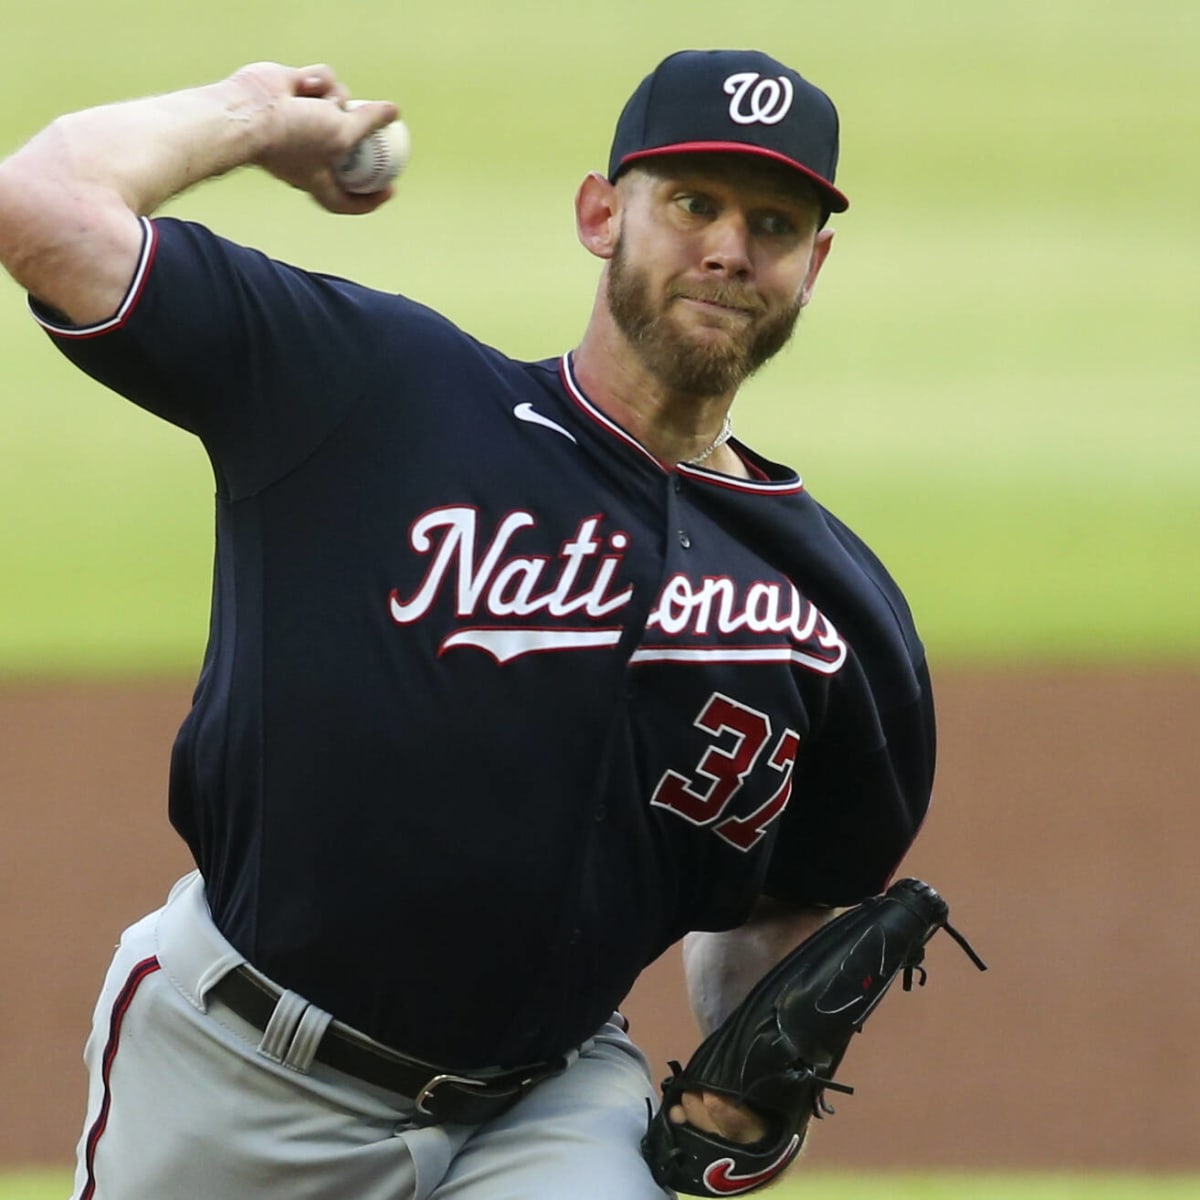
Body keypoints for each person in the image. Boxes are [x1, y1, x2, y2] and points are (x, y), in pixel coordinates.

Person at [0, 48, 935, 1200]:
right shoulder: (374, 392)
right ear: (603, 215)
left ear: (814, 265)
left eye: (776, 223)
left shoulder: (839, 614)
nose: (730, 248)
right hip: (236, 1077)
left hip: (548, 1108)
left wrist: (752, 1090)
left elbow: (793, 903)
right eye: (693, 204)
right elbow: (37, 205)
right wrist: (247, 118)